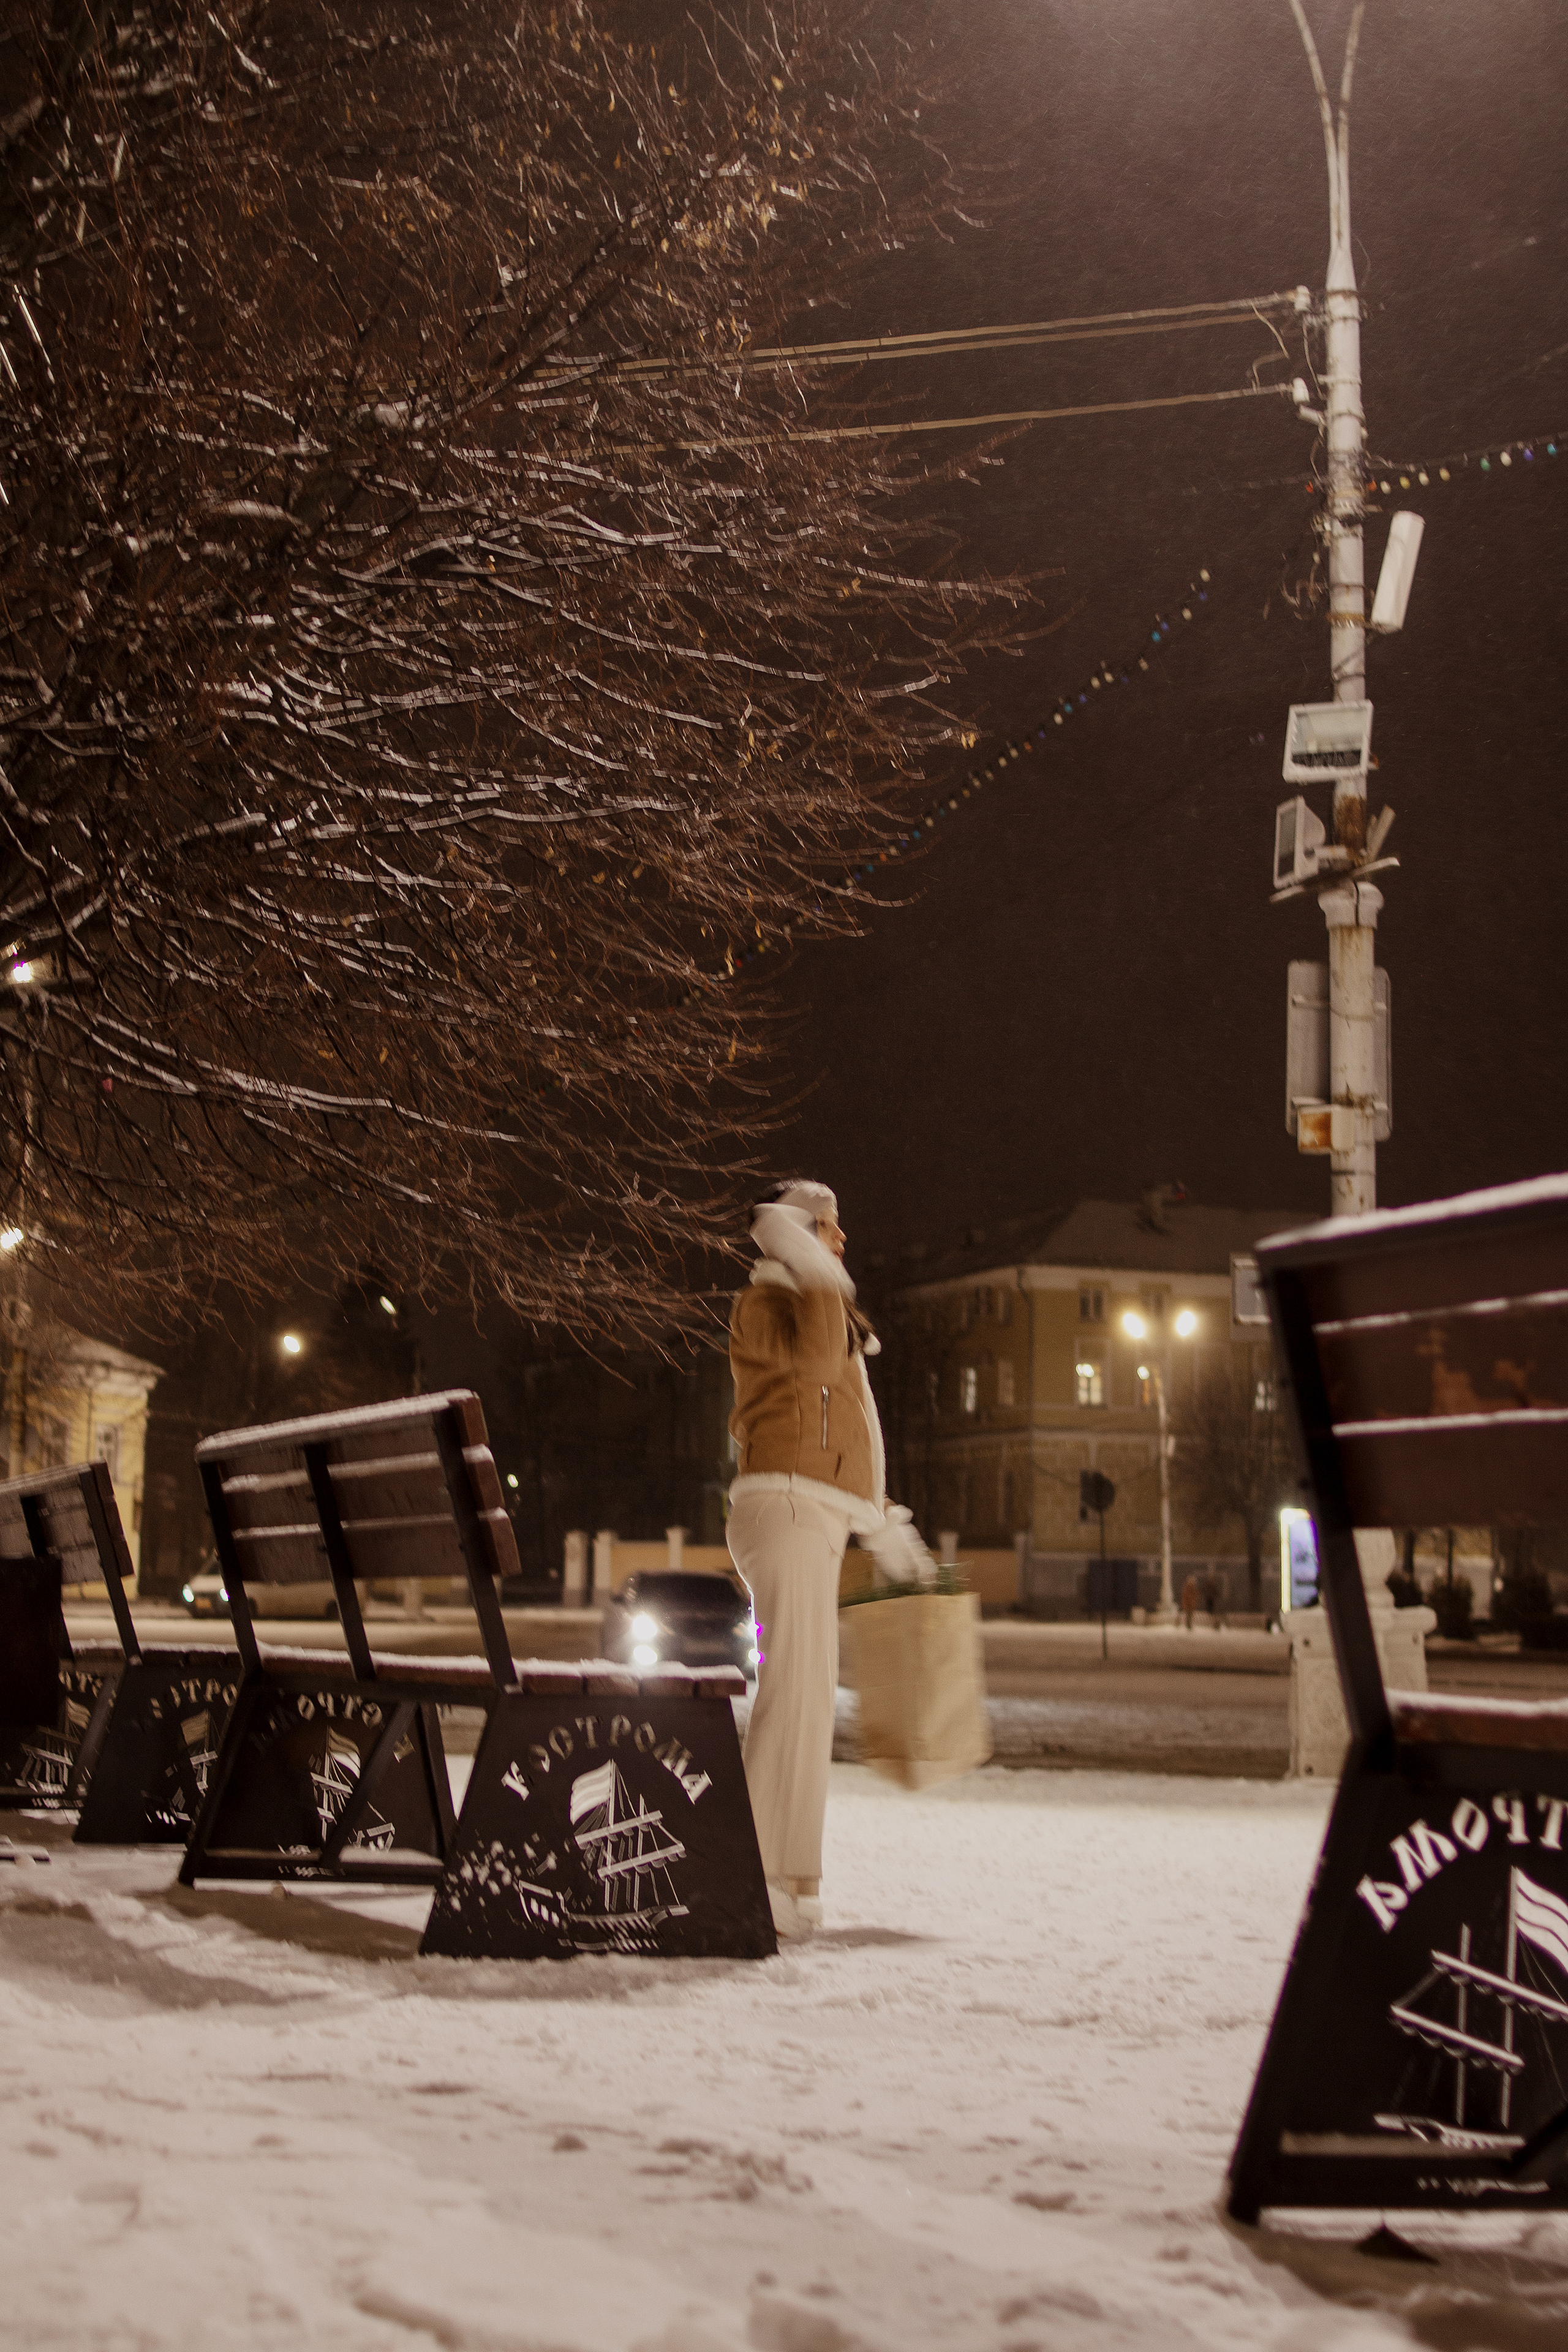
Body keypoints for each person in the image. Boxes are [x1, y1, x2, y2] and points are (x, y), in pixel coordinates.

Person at [726, 1179, 921, 1942]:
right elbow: (811, 1369)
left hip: (813, 1513)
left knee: (806, 1701)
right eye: (828, 1230)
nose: (842, 1243)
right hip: (787, 1509)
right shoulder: (771, 1304)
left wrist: (881, 1524)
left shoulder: (806, 1299)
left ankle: (790, 1878)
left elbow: (844, 1425)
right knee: (794, 1697)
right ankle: (756, 1875)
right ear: (796, 1233)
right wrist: (810, 1264)